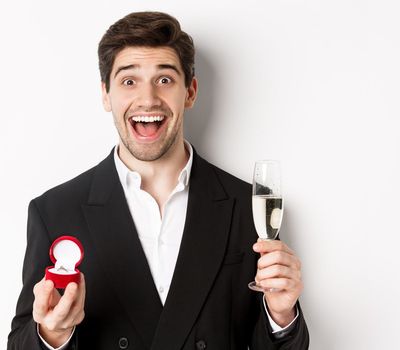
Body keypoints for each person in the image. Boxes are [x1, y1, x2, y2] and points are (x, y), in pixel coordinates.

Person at [7, 11, 309, 350]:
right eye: (129, 81)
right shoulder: (55, 211)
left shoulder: (247, 206)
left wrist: (281, 316)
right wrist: (52, 335)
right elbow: (20, 340)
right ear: (106, 94)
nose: (148, 99)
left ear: (190, 92)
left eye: (164, 80)